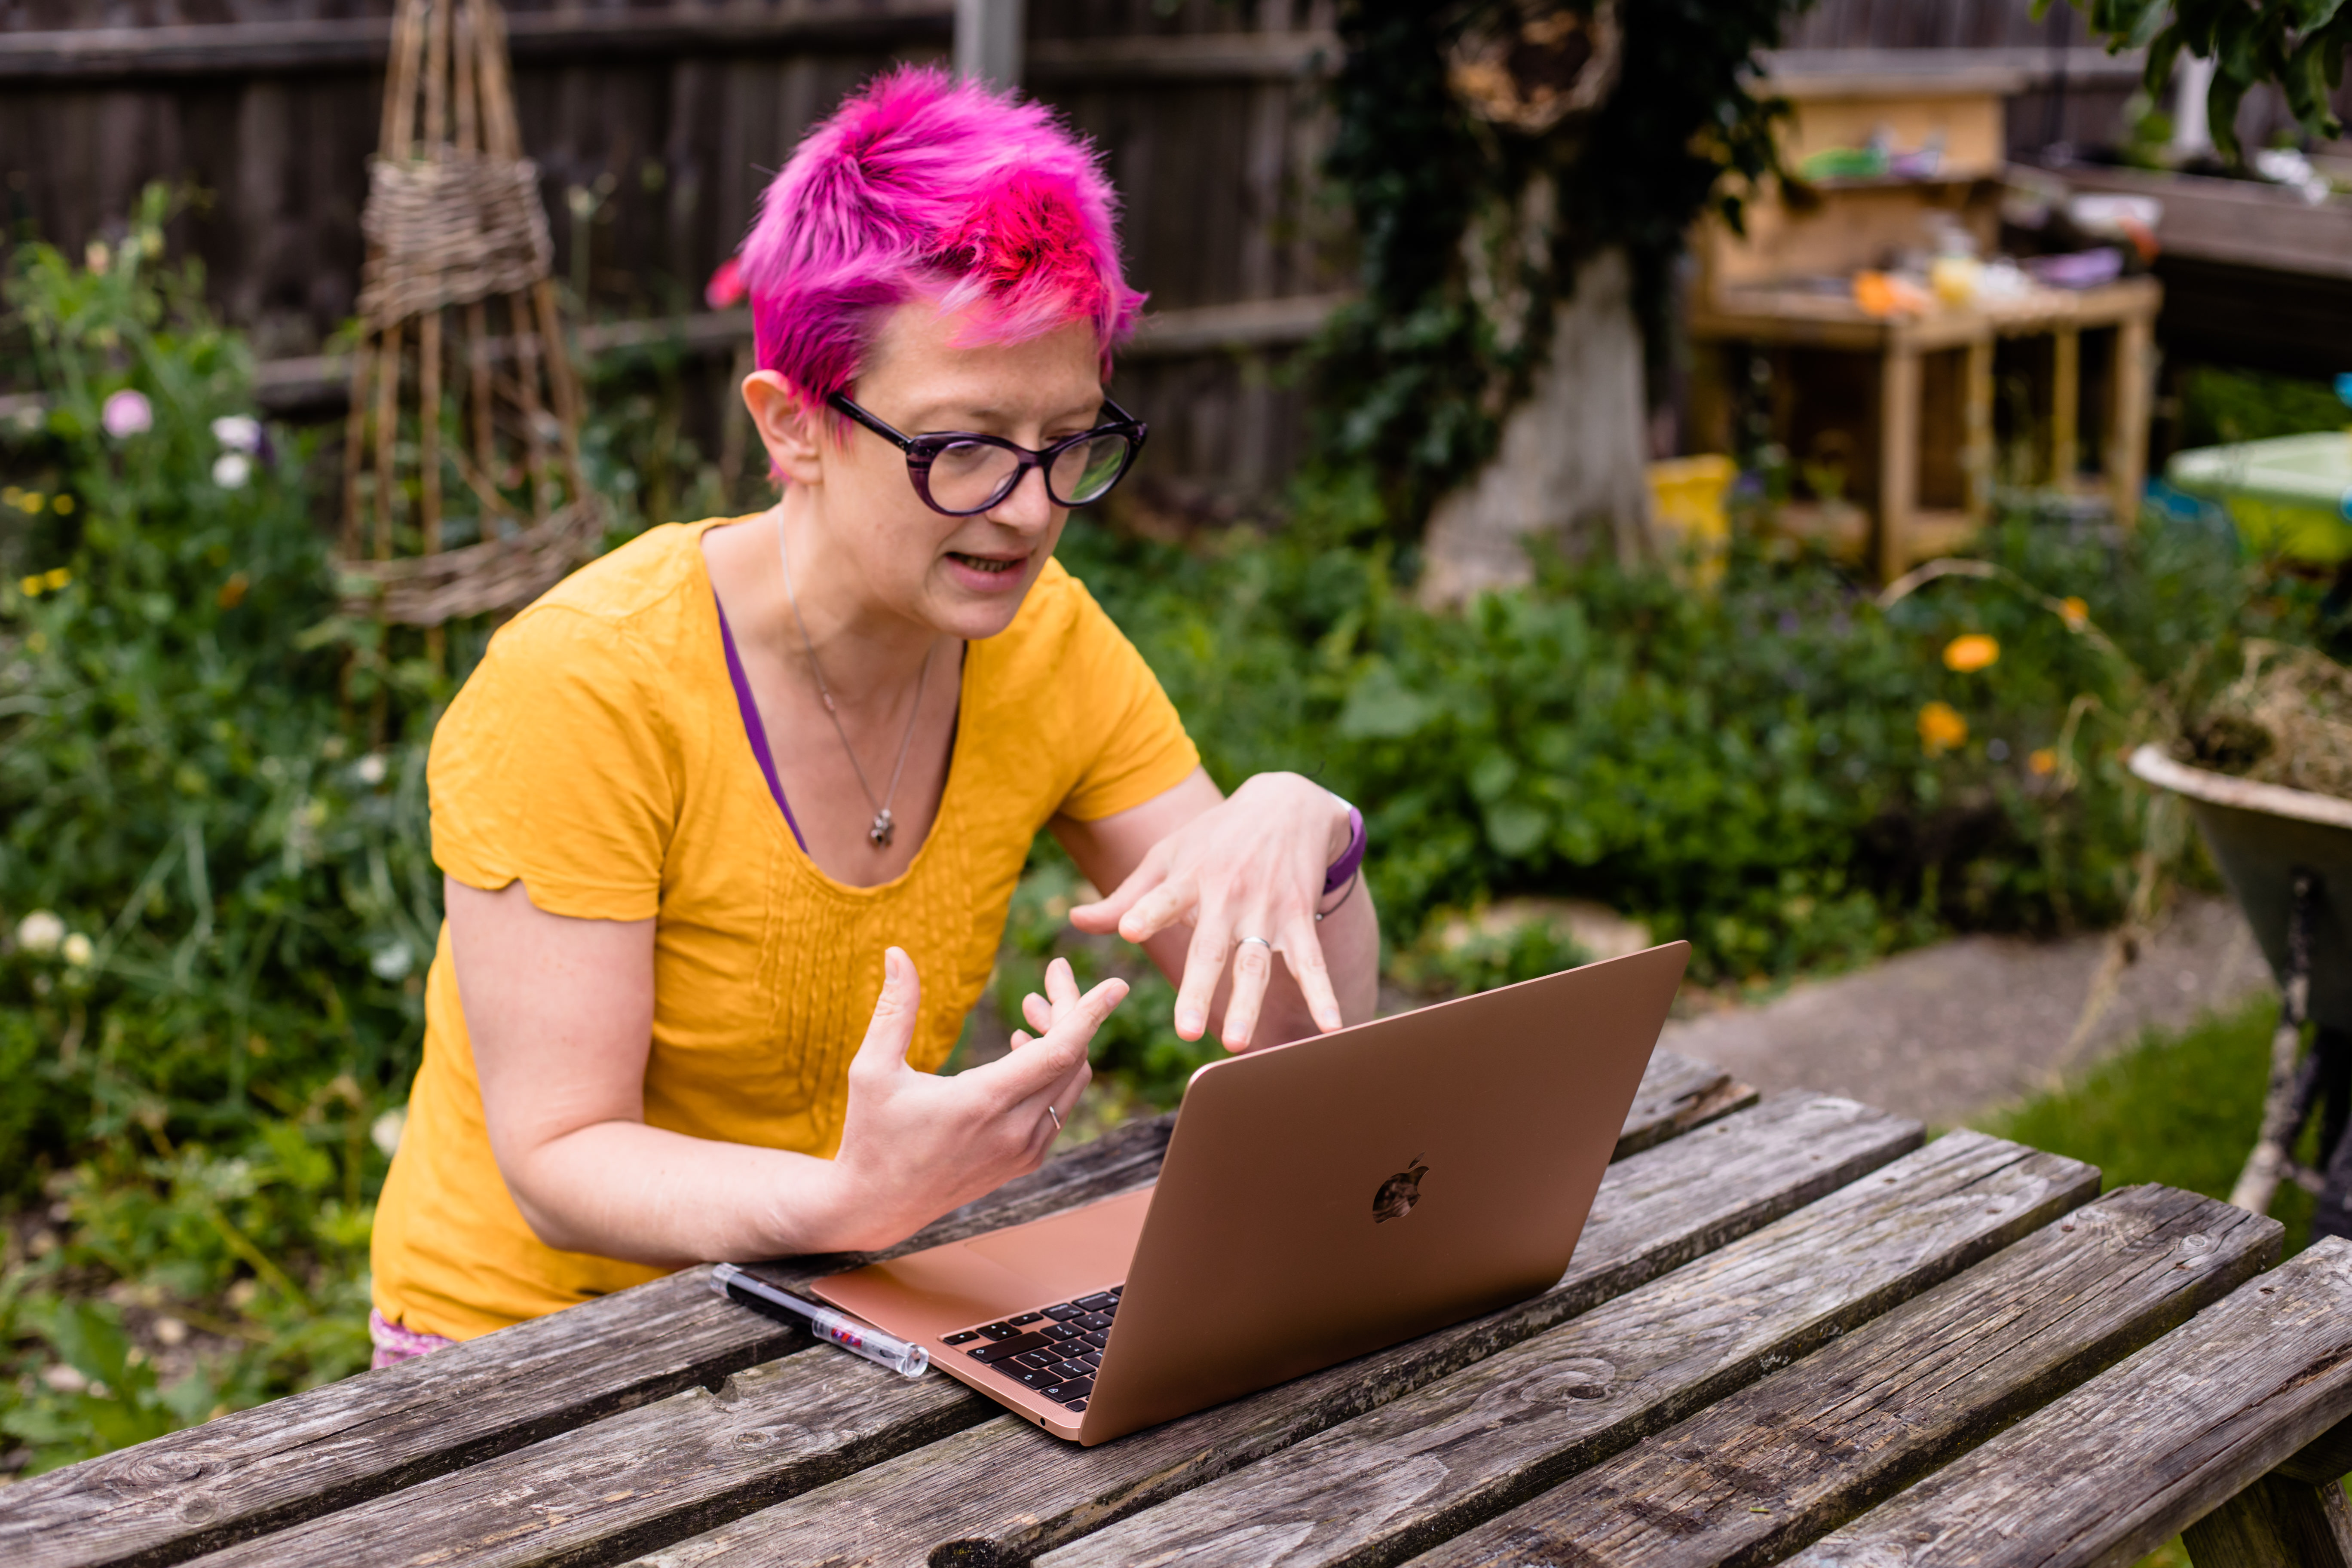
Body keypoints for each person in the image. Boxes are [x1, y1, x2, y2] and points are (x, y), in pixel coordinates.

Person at [367, 66, 1380, 1363]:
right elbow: (558, 1160)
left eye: (1070, 439)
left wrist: (1310, 839)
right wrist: (851, 1201)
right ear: (794, 428)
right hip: (516, 1354)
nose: (1030, 510)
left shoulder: (1045, 638)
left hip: (824, 1302)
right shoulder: (586, 684)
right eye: (962, 446)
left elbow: (1305, 1058)